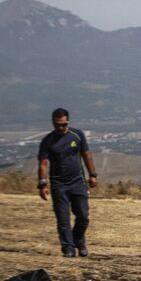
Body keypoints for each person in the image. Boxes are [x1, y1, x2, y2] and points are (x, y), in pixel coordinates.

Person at [37, 108, 99, 257]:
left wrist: (92, 174)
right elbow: (43, 164)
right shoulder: (48, 141)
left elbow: (86, 155)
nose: (60, 128)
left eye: (63, 124)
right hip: (59, 185)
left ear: (68, 122)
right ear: (53, 123)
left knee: (83, 216)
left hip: (78, 182)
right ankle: (68, 248)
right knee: (63, 218)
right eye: (57, 125)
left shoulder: (77, 135)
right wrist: (43, 184)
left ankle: (79, 240)